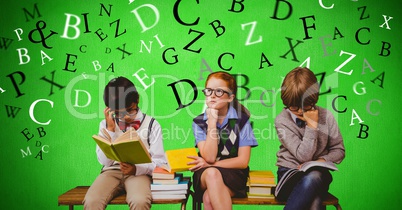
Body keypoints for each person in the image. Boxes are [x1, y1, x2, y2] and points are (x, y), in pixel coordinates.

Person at [84, 77, 167, 210]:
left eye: (128, 110)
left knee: (139, 201)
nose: (123, 116)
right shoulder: (105, 124)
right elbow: (104, 162)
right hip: (112, 171)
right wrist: (110, 130)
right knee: (91, 200)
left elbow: (161, 163)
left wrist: (136, 169)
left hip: (139, 172)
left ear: (137, 100)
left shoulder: (152, 124)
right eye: (117, 112)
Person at [275, 67, 345, 210]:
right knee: (315, 200)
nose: (301, 111)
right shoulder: (282, 120)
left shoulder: (327, 116)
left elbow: (339, 150)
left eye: (305, 106)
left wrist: (321, 160)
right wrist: (312, 126)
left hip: (318, 177)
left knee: (315, 175)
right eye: (295, 107)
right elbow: (303, 156)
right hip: (289, 175)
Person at [189, 71, 258, 210]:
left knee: (208, 198)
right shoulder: (198, 122)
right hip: (204, 175)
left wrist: (211, 164)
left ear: (230, 97)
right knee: (212, 174)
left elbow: (243, 162)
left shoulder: (242, 121)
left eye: (219, 91)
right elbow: (208, 156)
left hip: (233, 175)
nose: (213, 95)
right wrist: (212, 122)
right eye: (209, 91)